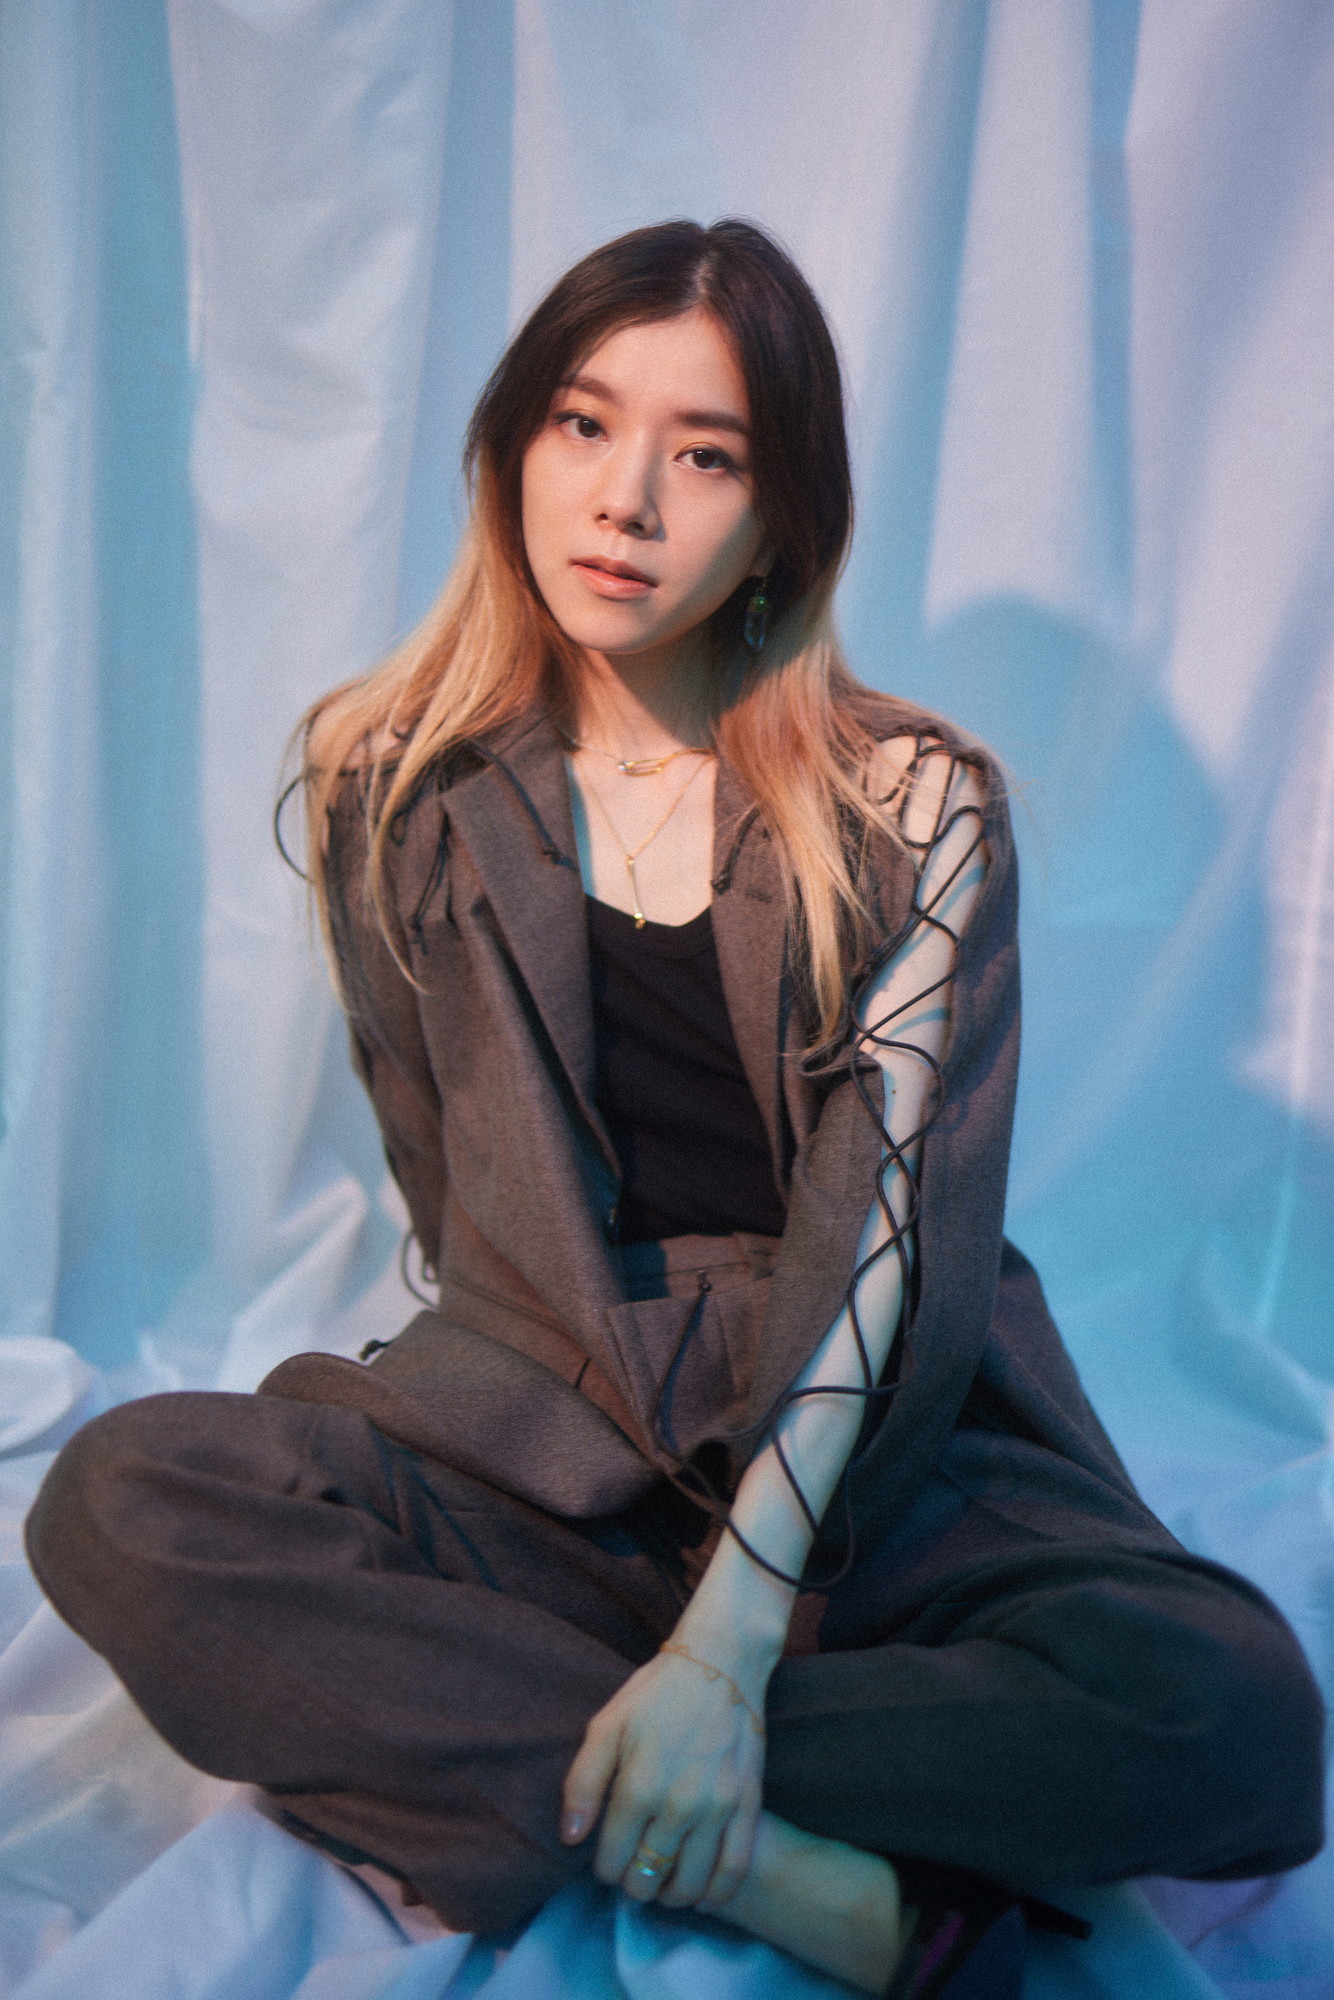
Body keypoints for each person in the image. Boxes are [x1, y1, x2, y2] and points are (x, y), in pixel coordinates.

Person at [26, 220, 1323, 1999]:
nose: (623, 498)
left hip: (875, 1440)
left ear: (783, 516)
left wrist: (727, 1641)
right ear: (512, 447)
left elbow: (890, 1231)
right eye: (582, 423)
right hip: (542, 1432)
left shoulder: (914, 804)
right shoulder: (387, 785)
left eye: (703, 455)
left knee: (1228, 1710)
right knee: (123, 1497)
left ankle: (538, 1752)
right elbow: (446, 1179)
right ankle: (806, 1884)